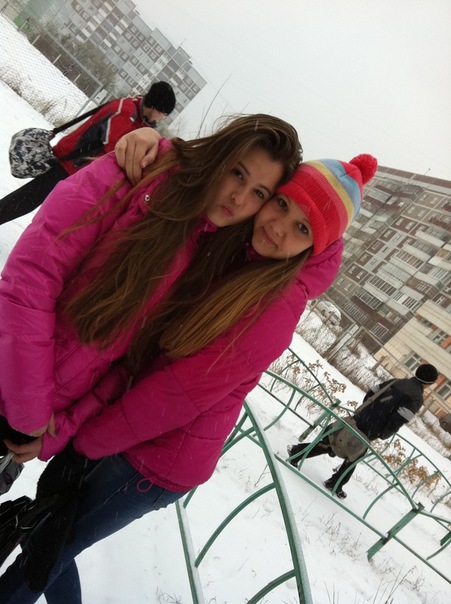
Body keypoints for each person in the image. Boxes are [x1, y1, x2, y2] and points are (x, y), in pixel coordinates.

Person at [0, 150, 377, 601]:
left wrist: (76, 440)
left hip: (154, 462)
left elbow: (170, 397)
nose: (279, 228)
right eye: (281, 204)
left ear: (314, 249)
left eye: (303, 229)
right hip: (130, 435)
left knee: (45, 553)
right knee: (51, 538)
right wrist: (153, 143)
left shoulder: (273, 306)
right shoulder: (243, 256)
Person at [0, 81, 176, 225]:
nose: (162, 119)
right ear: (157, 108)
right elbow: (115, 150)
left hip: (76, 167)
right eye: (164, 114)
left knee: (29, 201)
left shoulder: (136, 114)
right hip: (69, 164)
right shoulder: (126, 112)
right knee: (25, 201)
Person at [287, 363, 439, 499]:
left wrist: (368, 409)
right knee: (354, 454)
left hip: (361, 416)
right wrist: (384, 433)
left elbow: (372, 392)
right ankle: (334, 483)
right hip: (374, 427)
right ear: (429, 383)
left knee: (337, 440)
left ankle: (299, 453)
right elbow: (399, 418)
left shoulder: (397, 381)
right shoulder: (416, 398)